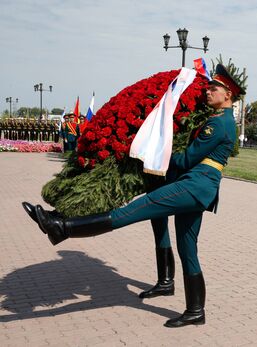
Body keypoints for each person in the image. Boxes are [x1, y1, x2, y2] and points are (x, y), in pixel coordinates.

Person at [22, 64, 245, 328]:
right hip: (198, 186)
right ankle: (196, 311)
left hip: (194, 186)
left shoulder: (219, 124)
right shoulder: (218, 120)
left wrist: (155, 150)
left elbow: (186, 158)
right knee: (188, 248)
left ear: (228, 94)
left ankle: (63, 228)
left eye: (214, 89)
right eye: (208, 87)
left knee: (133, 211)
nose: (208, 92)